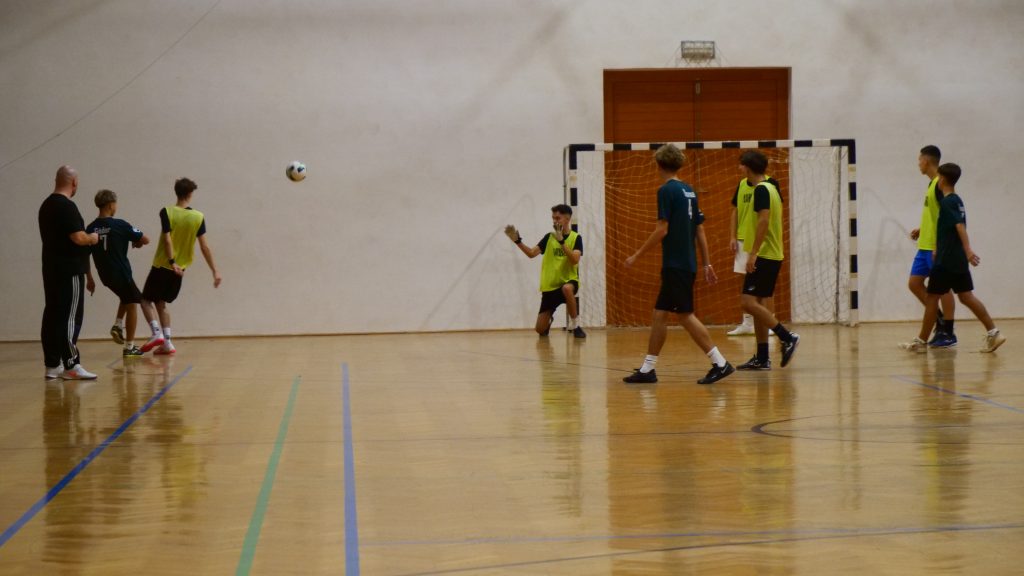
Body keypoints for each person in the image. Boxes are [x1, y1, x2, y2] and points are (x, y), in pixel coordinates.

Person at [621, 144, 733, 385]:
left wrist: (637, 255)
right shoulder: (689, 190)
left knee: (685, 316)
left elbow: (662, 229)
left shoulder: (666, 191)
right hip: (686, 263)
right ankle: (648, 369)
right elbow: (700, 230)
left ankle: (720, 363)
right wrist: (706, 263)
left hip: (676, 264)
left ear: (658, 164)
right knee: (660, 314)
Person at [901, 163, 1005, 353]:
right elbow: (949, 227)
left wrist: (968, 250)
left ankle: (921, 341)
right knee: (966, 296)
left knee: (932, 298)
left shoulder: (947, 202)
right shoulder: (957, 200)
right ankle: (994, 332)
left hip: (946, 260)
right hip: (957, 259)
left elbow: (959, 226)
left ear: (941, 179)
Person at [734, 150, 800, 370]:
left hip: (764, 254)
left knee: (747, 302)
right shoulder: (771, 187)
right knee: (758, 304)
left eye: (741, 164)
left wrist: (753, 253)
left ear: (748, 167)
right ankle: (762, 357)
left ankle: (787, 337)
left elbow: (763, 221)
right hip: (770, 254)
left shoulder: (762, 189)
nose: (739, 168)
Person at [141, 178, 222, 355]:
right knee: (161, 303)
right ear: (190, 194)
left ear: (176, 192)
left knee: (145, 300)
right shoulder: (198, 217)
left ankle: (156, 333)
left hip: (164, 265)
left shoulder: (167, 212)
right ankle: (167, 343)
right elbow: (204, 247)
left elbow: (167, 239)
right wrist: (215, 270)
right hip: (180, 269)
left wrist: (172, 262)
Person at [86, 189, 165, 356]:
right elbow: (145, 239)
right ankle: (129, 347)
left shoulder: (90, 228)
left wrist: (89, 278)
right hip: (121, 272)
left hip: (104, 275)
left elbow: (84, 256)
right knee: (134, 303)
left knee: (126, 296)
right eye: (115, 204)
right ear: (110, 205)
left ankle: (117, 324)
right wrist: (137, 242)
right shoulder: (120, 225)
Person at [39, 166, 100, 380]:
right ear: (74, 182)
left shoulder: (46, 205)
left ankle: (52, 365)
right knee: (71, 316)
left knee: (52, 314)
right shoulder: (66, 206)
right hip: (70, 270)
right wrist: (93, 238)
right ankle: (71, 365)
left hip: (51, 269)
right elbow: (78, 238)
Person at [505, 204, 586, 338]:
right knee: (540, 330)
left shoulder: (576, 238)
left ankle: (576, 325)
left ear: (567, 219)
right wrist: (517, 241)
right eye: (553, 218)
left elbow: (574, 260)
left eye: (558, 218)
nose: (554, 221)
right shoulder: (549, 237)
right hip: (550, 286)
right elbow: (531, 253)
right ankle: (548, 321)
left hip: (569, 281)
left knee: (566, 288)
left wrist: (562, 242)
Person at [908, 145, 957, 347]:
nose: (918, 164)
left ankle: (948, 332)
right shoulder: (931, 184)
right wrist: (922, 228)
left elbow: (948, 214)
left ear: (926, 161)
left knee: (944, 289)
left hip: (937, 247)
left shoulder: (940, 185)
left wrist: (941, 243)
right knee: (914, 283)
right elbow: (937, 214)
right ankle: (938, 319)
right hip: (925, 245)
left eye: (919, 160)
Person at [727, 171, 780, 337]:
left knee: (765, 287)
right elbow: (735, 210)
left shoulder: (770, 184)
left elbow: (770, 215)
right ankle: (748, 323)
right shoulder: (742, 184)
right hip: (743, 239)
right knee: (746, 284)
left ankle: (771, 322)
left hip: (760, 241)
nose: (740, 168)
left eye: (742, 164)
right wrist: (733, 236)